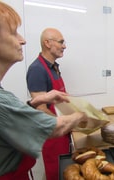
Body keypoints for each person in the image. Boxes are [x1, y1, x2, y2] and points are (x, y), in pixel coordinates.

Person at [0, 1, 88, 179]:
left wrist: (33, 103)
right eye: (13, 32)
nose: (22, 40)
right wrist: (84, 114)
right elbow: (53, 127)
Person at [26, 28, 69, 180]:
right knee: (55, 172)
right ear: (47, 43)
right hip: (53, 132)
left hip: (62, 129)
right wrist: (67, 123)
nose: (64, 46)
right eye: (61, 42)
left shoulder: (54, 66)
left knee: (64, 170)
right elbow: (41, 109)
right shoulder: (37, 69)